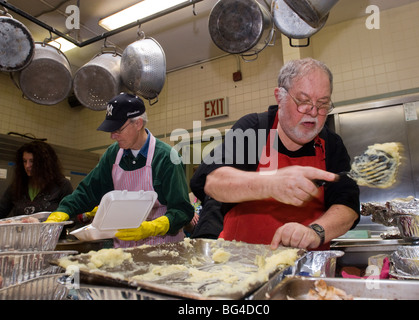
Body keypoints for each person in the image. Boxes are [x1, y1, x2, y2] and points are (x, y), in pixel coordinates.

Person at [190, 58, 360, 250]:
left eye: (322, 104)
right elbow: (213, 183)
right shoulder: (253, 130)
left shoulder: (331, 144)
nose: (313, 112)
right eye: (303, 101)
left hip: (305, 269)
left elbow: (348, 205)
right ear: (280, 97)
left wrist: (316, 231)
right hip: (243, 266)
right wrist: (270, 184)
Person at [45, 92, 194, 248]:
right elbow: (88, 192)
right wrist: (63, 210)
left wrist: (151, 228)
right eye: (111, 131)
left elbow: (182, 211)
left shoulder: (166, 157)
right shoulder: (113, 154)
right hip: (123, 247)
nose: (112, 136)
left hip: (162, 246)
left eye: (118, 130)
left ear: (138, 124)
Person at [0, 140, 73, 218]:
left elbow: (72, 216)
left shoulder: (61, 185)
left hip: (51, 230)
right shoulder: (17, 186)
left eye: (32, 161)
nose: (27, 166)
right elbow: (1, 210)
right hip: (21, 230)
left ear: (45, 163)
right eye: (24, 161)